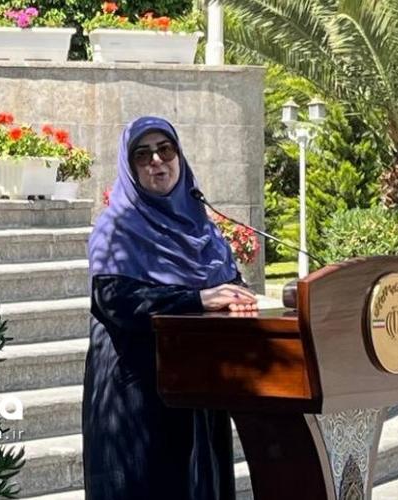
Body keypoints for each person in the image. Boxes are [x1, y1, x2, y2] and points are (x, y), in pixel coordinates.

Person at [83, 116, 258, 500]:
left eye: (166, 150)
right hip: (138, 390)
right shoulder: (116, 229)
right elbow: (115, 299)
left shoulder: (200, 225)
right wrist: (196, 300)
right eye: (142, 155)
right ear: (130, 168)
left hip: (200, 382)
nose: (157, 162)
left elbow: (228, 283)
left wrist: (236, 299)